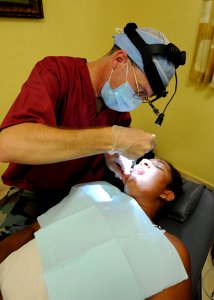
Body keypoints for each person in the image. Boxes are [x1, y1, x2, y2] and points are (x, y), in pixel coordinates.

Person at [0, 22, 185, 240]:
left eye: (144, 98)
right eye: (139, 91)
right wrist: (113, 138)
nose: (137, 101)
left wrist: (112, 158)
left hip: (82, 196)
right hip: (33, 194)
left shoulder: (118, 109)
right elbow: (7, 145)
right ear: (119, 60)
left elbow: (107, 152)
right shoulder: (55, 73)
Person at [0, 158, 192, 300]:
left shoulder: (169, 247)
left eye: (156, 166)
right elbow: (32, 231)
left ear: (167, 194)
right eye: (142, 161)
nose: (144, 163)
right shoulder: (94, 190)